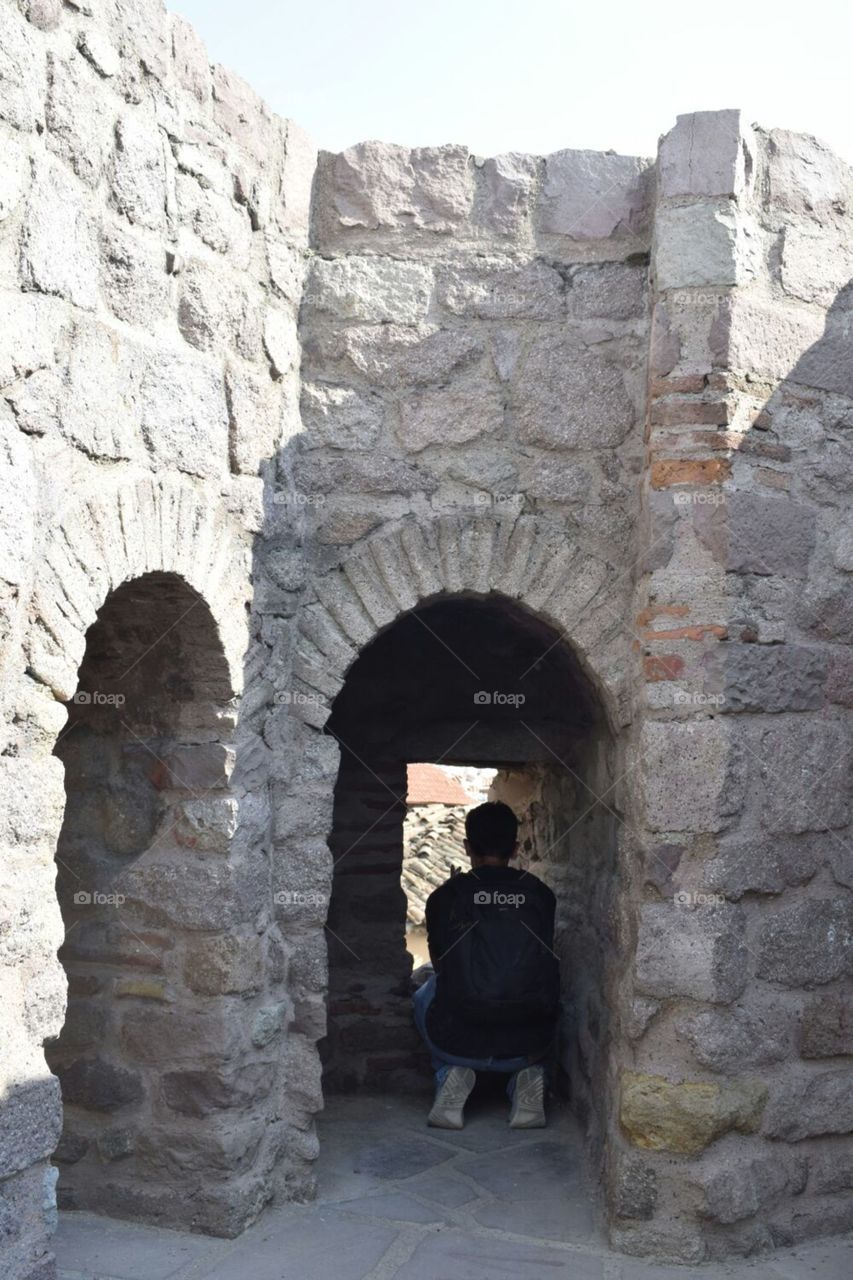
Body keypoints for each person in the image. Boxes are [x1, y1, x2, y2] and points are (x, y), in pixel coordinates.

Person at [413, 800, 559, 1130]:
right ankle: (525, 1078)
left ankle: (450, 1072)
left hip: (457, 1039)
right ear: (516, 847)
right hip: (530, 1040)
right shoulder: (540, 895)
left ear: (467, 847)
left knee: (424, 990)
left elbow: (440, 964)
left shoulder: (445, 897)